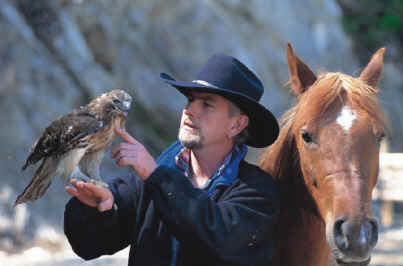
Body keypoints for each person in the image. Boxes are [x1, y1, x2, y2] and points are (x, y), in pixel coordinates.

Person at [64, 53, 280, 266]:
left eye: (207, 104)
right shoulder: (148, 181)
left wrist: (158, 177)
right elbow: (87, 246)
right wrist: (97, 209)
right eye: (190, 99)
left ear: (236, 125)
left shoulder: (258, 192)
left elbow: (220, 238)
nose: (189, 110)